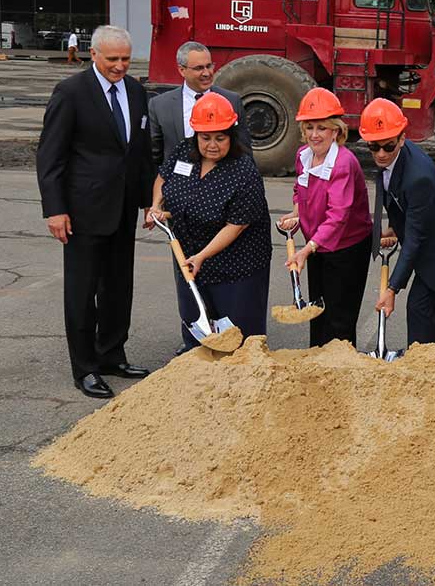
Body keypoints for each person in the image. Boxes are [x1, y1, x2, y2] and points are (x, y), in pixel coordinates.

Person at [36, 25, 154, 399]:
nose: (120, 66)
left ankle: (111, 355)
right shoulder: (71, 93)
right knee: (83, 292)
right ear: (94, 55)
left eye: (125, 59)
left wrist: (150, 201)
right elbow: (49, 156)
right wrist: (55, 210)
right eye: (113, 59)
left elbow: (139, 152)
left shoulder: (136, 92)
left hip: (122, 209)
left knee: (119, 287)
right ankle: (85, 368)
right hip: (83, 211)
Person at [149, 41, 250, 354]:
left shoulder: (231, 100)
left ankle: (226, 334)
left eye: (209, 66)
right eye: (199, 68)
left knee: (220, 269)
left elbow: (245, 152)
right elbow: (156, 160)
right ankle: (192, 339)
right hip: (180, 211)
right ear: (181, 70)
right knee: (186, 271)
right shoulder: (161, 105)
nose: (207, 72)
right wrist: (155, 205)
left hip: (221, 205)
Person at [147, 92, 271, 343]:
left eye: (220, 138)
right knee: (197, 327)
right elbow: (163, 177)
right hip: (189, 256)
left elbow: (235, 227)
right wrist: (155, 205)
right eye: (205, 138)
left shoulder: (244, 171)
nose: (212, 145)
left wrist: (203, 256)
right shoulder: (184, 151)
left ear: (232, 136)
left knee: (237, 337)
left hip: (236, 264)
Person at [277, 88, 373, 347]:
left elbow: (338, 215)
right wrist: (298, 212)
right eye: (309, 127)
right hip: (318, 243)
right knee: (318, 310)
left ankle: (340, 369)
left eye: (322, 128)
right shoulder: (303, 156)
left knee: (339, 317)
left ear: (336, 131)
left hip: (347, 246)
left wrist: (306, 250)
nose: (314, 135)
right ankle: (317, 360)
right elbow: (300, 189)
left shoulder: (343, 163)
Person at [365, 98, 435, 347]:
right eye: (373, 146)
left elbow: (415, 240)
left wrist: (392, 288)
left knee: (419, 308)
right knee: (433, 307)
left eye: (387, 146)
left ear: (402, 138)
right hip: (424, 234)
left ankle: (419, 361)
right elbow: (397, 199)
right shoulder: (394, 158)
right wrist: (394, 229)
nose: (380, 153)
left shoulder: (417, 176)